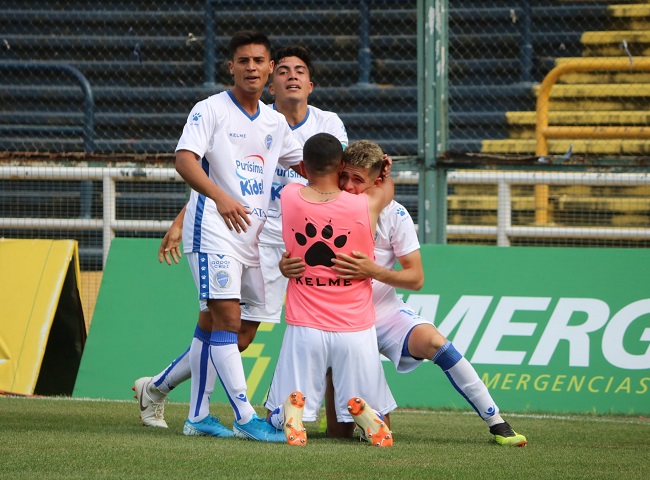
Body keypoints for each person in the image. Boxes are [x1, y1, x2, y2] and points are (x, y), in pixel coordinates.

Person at [132, 45, 348, 436]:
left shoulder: (319, 125)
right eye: (283, 69)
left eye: (299, 70)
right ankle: (238, 416)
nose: (290, 76)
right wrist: (183, 220)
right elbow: (209, 171)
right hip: (228, 231)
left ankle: (161, 389)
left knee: (232, 333)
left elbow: (324, 172)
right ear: (271, 80)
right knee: (227, 325)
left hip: (282, 240)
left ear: (311, 84)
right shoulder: (222, 111)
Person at [280, 143, 528, 447]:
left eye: (358, 180)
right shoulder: (328, 204)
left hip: (383, 314)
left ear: (377, 181)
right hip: (340, 320)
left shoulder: (395, 215)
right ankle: (345, 418)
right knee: (339, 436)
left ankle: (497, 423)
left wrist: (373, 270)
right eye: (344, 176)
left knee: (438, 344)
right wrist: (285, 264)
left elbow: (416, 278)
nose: (348, 185)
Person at [158, 30, 303, 442]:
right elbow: (184, 159)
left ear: (269, 68)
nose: (252, 68)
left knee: (213, 325)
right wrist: (220, 197)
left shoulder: (275, 121)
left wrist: (348, 179)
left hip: (251, 238)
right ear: (232, 67)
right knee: (228, 320)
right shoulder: (211, 109)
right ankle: (243, 414)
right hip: (213, 232)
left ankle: (197, 415)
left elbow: (304, 164)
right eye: (244, 61)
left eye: (259, 61)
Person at [263, 135, 395, 447]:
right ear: (341, 167)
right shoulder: (367, 202)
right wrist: (384, 170)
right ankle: (370, 420)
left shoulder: (290, 196)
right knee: (377, 407)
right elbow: (385, 188)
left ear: (305, 167)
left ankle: (289, 417)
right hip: (355, 327)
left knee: (275, 412)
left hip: (305, 326)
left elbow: (302, 173)